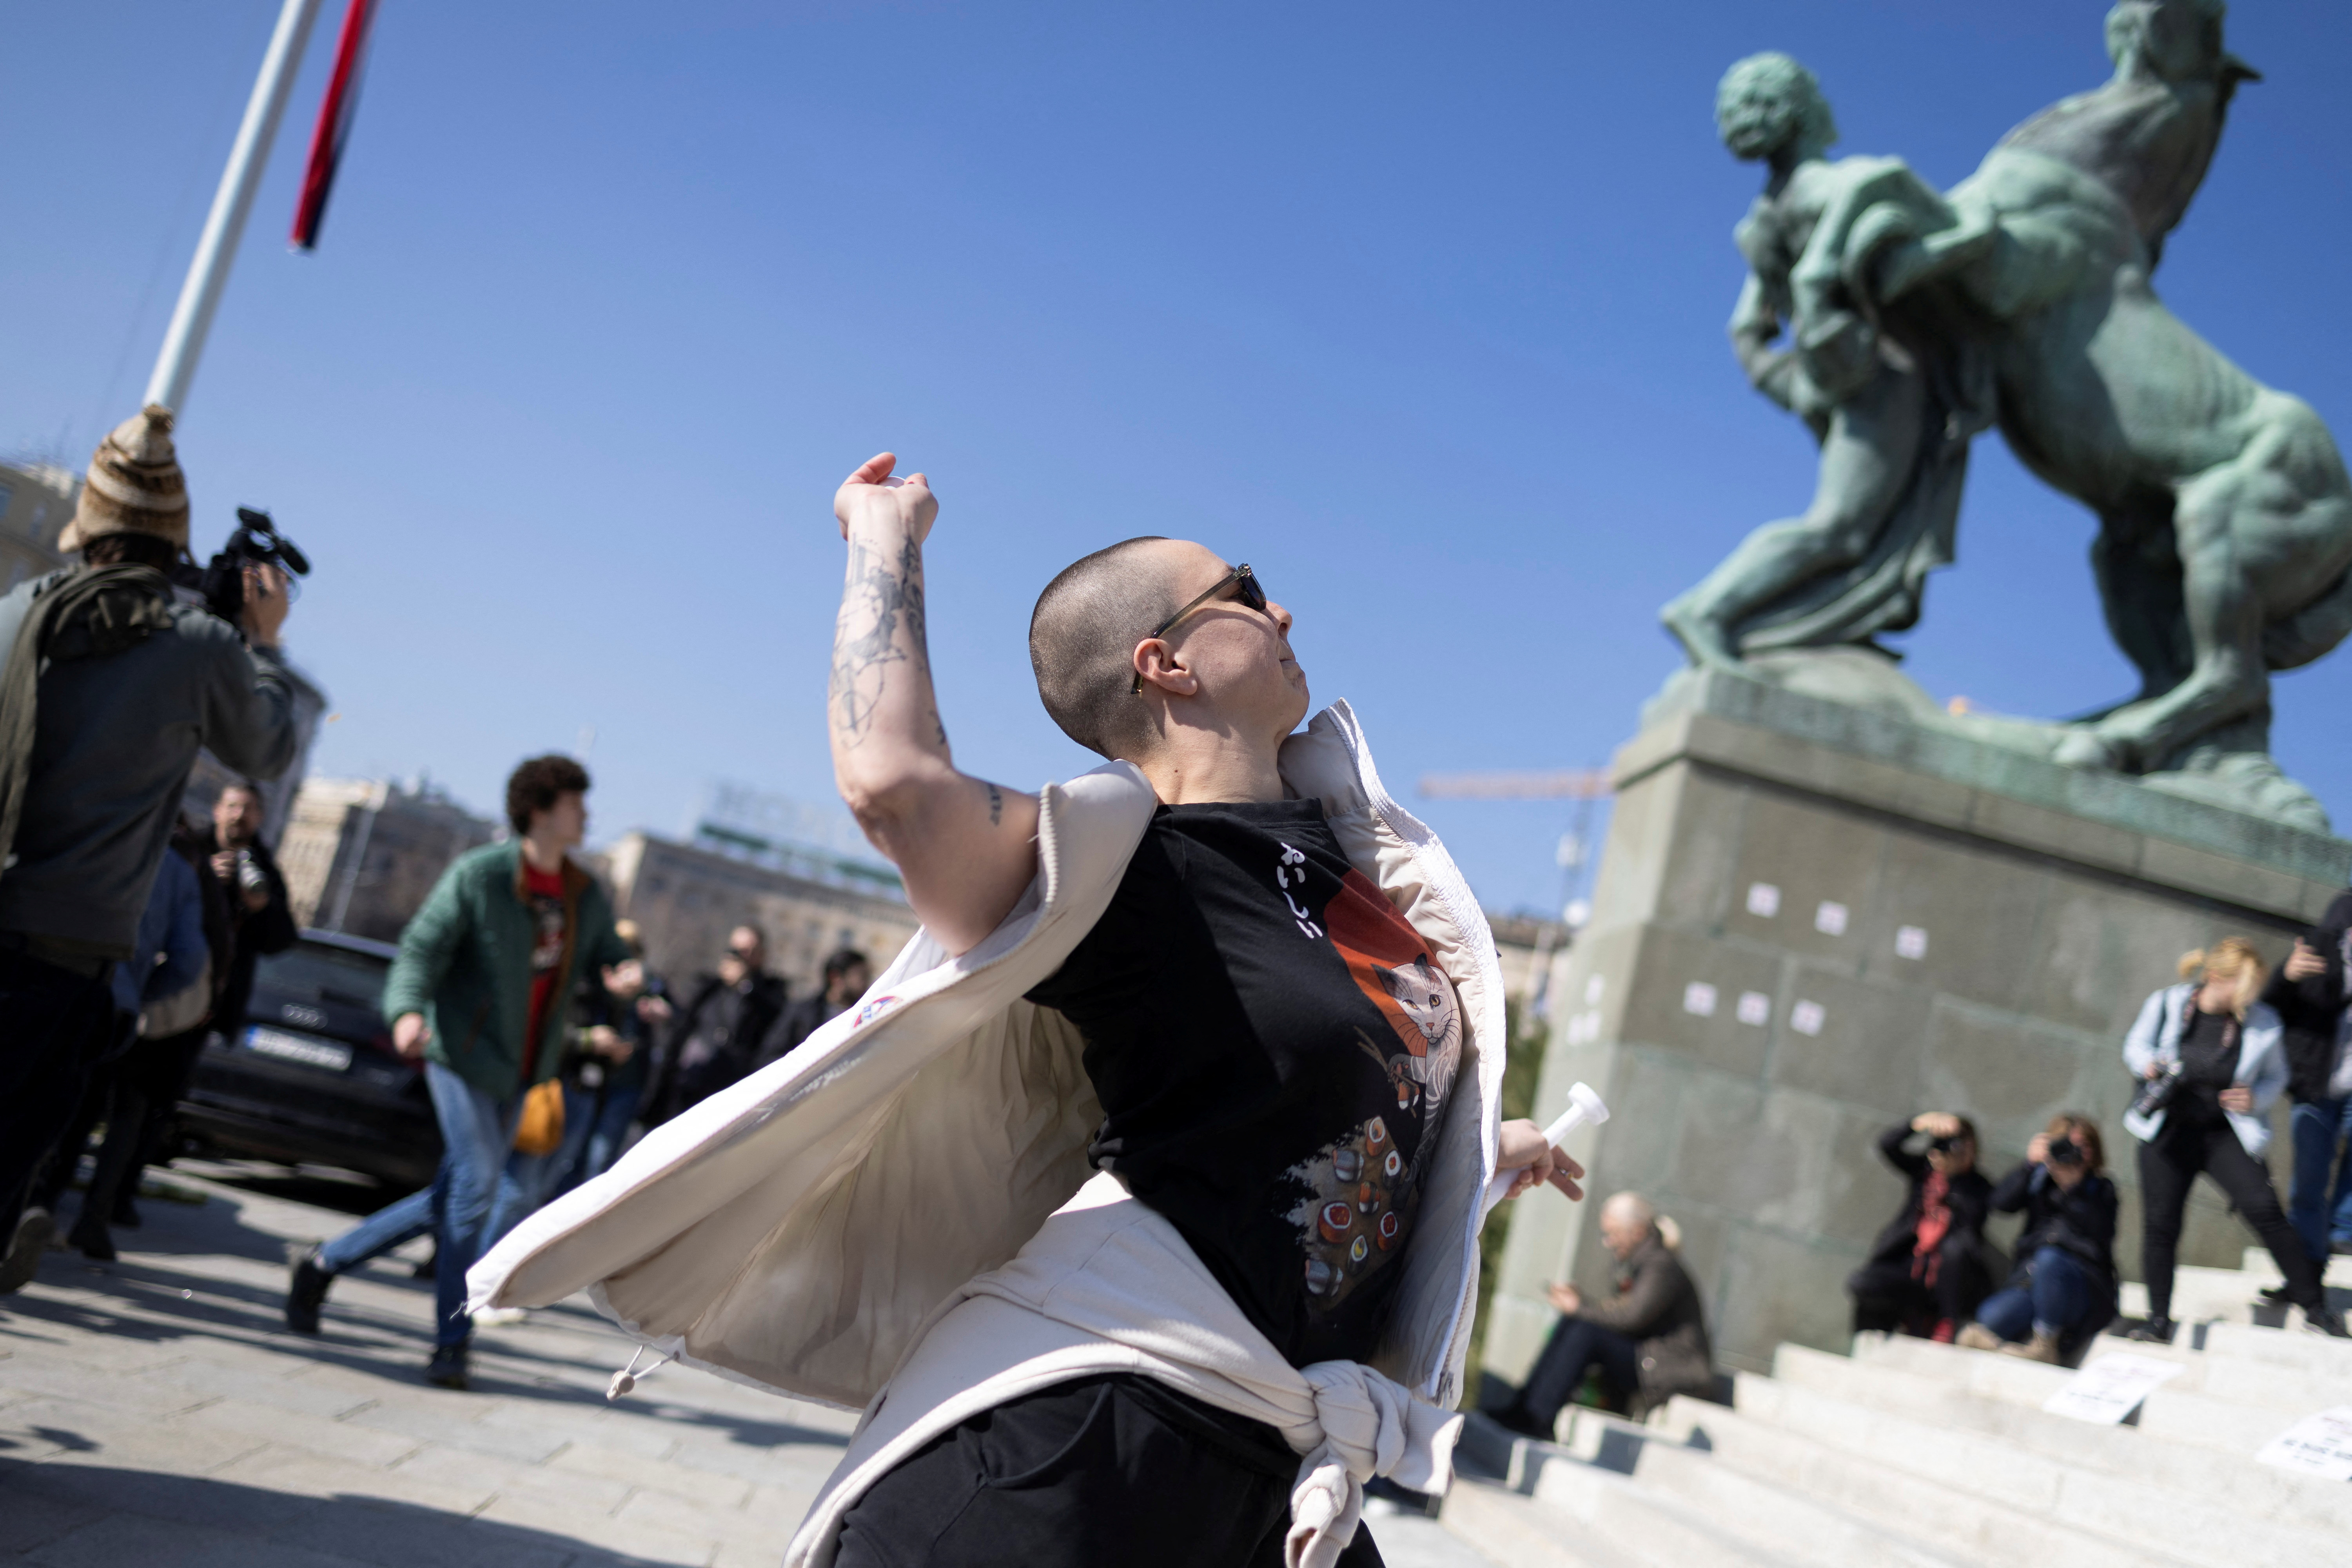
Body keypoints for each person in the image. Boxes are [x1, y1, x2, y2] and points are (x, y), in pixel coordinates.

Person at [468, 453, 1584, 1568]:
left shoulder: (1349, 864)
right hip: (1083, 1439)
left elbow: (1289, 1103)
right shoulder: (1130, 869)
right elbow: (893, 782)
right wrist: (884, 535)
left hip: (1267, 1465)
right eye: (1244, 590)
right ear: (1164, 663)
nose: (1280, 608)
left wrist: (1475, 1151)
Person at [0, 407, 299, 1291]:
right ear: (173, 540)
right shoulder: (197, 646)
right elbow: (266, 745)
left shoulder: (18, 613)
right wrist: (262, 641)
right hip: (67, 953)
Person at [285, 755, 635, 1387]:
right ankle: (453, 1341)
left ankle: (325, 1263)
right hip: (459, 1053)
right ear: (540, 810)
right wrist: (406, 1012)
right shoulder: (481, 875)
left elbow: (613, 955)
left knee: (452, 1198)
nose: (587, 815)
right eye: (575, 804)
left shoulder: (582, 893)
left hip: (521, 1069)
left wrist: (631, 979)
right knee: (476, 1189)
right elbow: (422, 949)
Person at [2123, 940, 2345, 1340]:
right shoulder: (2169, 1003)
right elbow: (2135, 1046)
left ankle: (2315, 1308)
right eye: (2244, 986)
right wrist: (2149, 1065)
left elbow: (2277, 1075)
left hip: (2223, 1132)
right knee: (2161, 1225)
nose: (2251, 996)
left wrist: (2255, 1098)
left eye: (2255, 987)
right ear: (2215, 978)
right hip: (2168, 1132)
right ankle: (2158, 1322)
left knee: (2265, 1210)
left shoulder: (2263, 1021)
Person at [20, 837, 211, 1270]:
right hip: (115, 1006)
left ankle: (33, 1202)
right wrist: (141, 994)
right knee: (80, 1107)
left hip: (40, 976)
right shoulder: (178, 871)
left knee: (33, 1102)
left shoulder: (83, 827)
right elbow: (190, 959)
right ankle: (46, 1210)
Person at [1490, 1192, 1713, 1437]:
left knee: (1586, 1331)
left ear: (1638, 1232)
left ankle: (1539, 1417)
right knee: (1576, 1322)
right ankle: (1524, 1408)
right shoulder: (1644, 1263)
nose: (1608, 1242)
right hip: (1646, 1356)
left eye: (1613, 1234)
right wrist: (1581, 1307)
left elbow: (1631, 1319)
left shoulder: (1661, 1266)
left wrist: (1580, 1307)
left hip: (1668, 1369)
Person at [1958, 1113, 2119, 1363]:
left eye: (2083, 1146)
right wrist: (2028, 1166)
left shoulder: (2102, 1189)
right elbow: (2000, 1204)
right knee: (1991, 1317)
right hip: (2033, 1283)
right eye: (2065, 1145)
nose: (2074, 1153)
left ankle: (2046, 1343)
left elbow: (2100, 1229)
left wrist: (2073, 1188)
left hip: (2082, 1287)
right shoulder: (2039, 1182)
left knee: (2049, 1257)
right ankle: (2010, 1346)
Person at [1846, 1112, 1997, 1342]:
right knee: (1863, 1283)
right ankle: (1875, 1333)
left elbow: (1972, 1226)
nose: (1941, 1153)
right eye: (1938, 1145)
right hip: (1910, 1270)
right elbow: (1887, 1145)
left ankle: (1946, 1323)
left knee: (1954, 1250)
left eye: (1950, 1147)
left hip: (1947, 1281)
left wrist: (1955, 1176)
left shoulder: (1977, 1186)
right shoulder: (1923, 1174)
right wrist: (1920, 1123)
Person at [2263, 892, 2352, 1264]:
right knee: (2309, 1181)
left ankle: (2343, 1230)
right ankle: (2305, 1265)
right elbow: (2267, 1007)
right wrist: (2286, 977)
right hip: (2315, 1086)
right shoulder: (2320, 951)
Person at [644, 924, 785, 1123]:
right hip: (687, 1082)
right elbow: (685, 1022)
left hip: (728, 1092)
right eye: (734, 950)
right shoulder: (710, 988)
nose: (738, 957)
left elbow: (767, 1025)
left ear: (761, 955)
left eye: (747, 952)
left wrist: (746, 986)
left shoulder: (769, 993)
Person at [759, 947, 871, 1069]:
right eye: (861, 976)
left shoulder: (865, 1016)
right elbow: (771, 1056)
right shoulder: (802, 1012)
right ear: (836, 977)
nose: (866, 982)